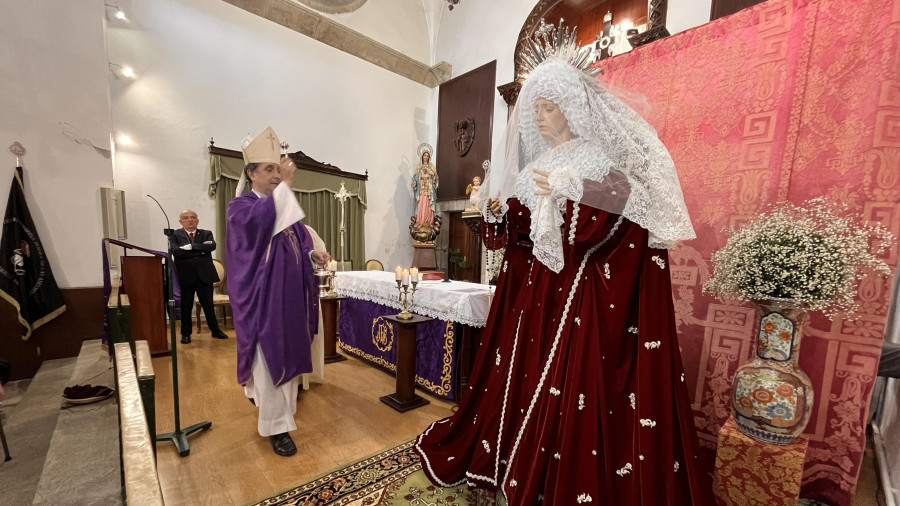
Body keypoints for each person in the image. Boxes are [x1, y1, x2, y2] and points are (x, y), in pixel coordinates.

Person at [413, 33, 713, 505]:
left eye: (548, 106)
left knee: (565, 389)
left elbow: (613, 226)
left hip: (572, 295)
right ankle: (506, 454)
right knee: (516, 376)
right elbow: (516, 236)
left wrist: (571, 191)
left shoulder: (598, 159)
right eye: (535, 107)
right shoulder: (541, 161)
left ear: (572, 108)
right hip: (528, 294)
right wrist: (499, 214)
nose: (537, 114)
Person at [226, 126, 330, 457]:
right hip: (261, 303)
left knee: (283, 361)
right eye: (268, 169)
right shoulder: (240, 208)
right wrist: (285, 186)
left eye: (277, 168)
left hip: (287, 302)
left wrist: (313, 254)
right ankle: (276, 429)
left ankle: (277, 413)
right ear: (251, 173)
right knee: (268, 362)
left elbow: (298, 245)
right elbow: (257, 227)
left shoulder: (284, 209)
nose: (275, 174)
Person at [169, 210, 229, 343]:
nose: (190, 220)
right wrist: (200, 249)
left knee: (208, 306)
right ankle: (186, 334)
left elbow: (211, 247)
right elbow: (176, 251)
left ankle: (215, 330)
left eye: (193, 217)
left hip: (205, 275)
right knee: (186, 307)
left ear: (197, 220)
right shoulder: (175, 234)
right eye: (186, 218)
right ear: (181, 222)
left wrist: (189, 247)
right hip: (186, 276)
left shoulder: (206, 233)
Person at [411, 146, 438, 227]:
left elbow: (436, 178)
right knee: (421, 203)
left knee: (428, 204)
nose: (426, 157)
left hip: (429, 189)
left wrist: (431, 173)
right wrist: (414, 182)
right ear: (422, 156)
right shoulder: (419, 167)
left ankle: (428, 221)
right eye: (424, 155)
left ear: (429, 157)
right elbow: (415, 177)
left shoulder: (432, 167)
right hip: (421, 188)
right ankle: (420, 221)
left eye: (427, 155)